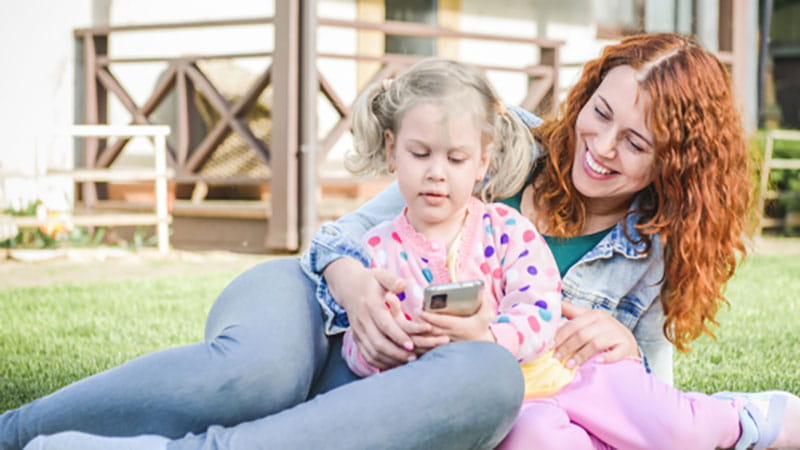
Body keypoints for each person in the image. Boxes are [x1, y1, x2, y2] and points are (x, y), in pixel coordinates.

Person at [27, 54, 800, 450]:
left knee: (487, 378)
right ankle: (15, 431)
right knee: (259, 372)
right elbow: (336, 238)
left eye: (636, 143)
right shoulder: (496, 143)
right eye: (600, 114)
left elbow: (640, 406)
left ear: (673, 164)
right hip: (317, 298)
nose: (599, 147)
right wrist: (357, 287)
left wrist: (626, 348)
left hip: (423, 372)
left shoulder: (655, 250)